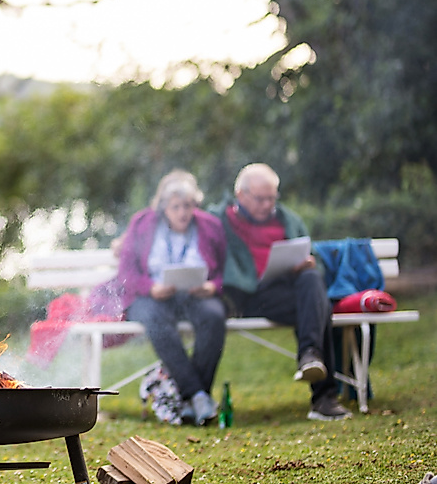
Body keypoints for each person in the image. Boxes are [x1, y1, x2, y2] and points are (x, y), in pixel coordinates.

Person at [210, 163, 352, 421]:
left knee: (311, 280)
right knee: (318, 307)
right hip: (250, 297)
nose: (267, 205)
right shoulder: (218, 219)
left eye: (272, 198)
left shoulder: (288, 219)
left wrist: (309, 263)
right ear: (240, 195)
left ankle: (310, 356)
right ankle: (324, 398)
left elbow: (314, 258)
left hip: (289, 291)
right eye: (260, 199)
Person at [102, 170, 227, 426]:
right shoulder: (142, 224)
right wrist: (150, 287)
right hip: (151, 296)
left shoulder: (210, 226)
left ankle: (190, 399)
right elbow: (127, 272)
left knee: (214, 316)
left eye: (188, 206)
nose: (183, 213)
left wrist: (212, 286)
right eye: (176, 207)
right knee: (155, 319)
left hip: (194, 294)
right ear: (163, 207)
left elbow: (226, 270)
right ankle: (198, 397)